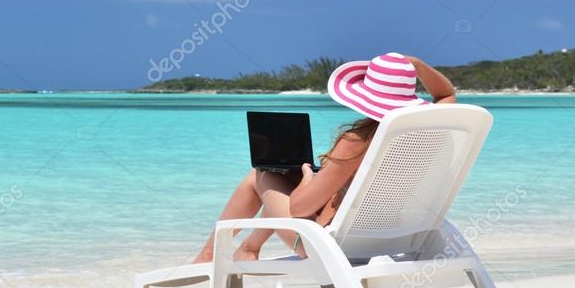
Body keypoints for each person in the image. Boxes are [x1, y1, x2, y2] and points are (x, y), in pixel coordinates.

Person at [192, 53, 457, 263]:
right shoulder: (430, 131)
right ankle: (249, 249)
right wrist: (417, 64)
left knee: (262, 174)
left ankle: (210, 255)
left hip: (324, 245)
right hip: (389, 237)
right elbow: (446, 94)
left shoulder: (355, 143)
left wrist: (308, 176)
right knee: (281, 176)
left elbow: (299, 209)